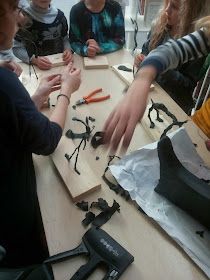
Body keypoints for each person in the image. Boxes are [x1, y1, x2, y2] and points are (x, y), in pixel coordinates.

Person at [0, 0, 81, 267]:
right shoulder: (5, 83)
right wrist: (66, 92)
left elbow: (10, 123)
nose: (20, 18)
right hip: (13, 214)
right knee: (45, 252)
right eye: (14, 10)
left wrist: (33, 98)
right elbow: (47, 140)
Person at [103, 16, 210, 152]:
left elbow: (187, 84)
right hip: (201, 124)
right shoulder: (205, 36)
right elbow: (168, 52)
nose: (167, 10)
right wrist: (143, 78)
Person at [134, 0, 210, 114]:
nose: (166, 10)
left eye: (174, 7)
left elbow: (187, 85)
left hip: (175, 105)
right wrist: (142, 58)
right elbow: (147, 48)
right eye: (167, 3)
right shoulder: (160, 25)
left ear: (190, 13)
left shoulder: (197, 44)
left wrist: (162, 69)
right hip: (152, 92)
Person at [13, 0, 73, 70]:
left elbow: (65, 38)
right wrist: (34, 60)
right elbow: (17, 48)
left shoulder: (60, 16)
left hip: (60, 66)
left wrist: (68, 50)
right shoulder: (22, 18)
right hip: (37, 69)